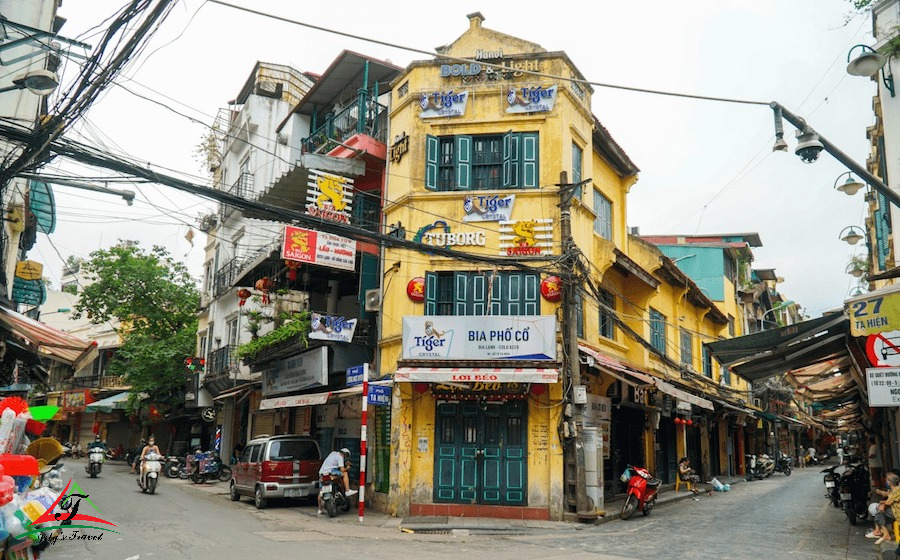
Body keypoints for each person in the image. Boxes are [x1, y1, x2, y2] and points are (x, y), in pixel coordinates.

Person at [317, 447, 358, 515]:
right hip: (331, 473)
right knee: (345, 474)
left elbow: (332, 463)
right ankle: (347, 490)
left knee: (321, 492)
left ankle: (320, 509)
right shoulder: (340, 458)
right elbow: (342, 470)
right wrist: (347, 468)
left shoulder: (333, 453)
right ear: (345, 455)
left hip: (322, 474)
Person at [867, 472, 900, 544]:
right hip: (893, 511)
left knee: (879, 514)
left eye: (887, 481)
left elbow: (888, 502)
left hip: (897, 513)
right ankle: (878, 531)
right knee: (879, 512)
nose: (886, 483)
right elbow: (887, 494)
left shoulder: (897, 490)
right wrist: (878, 491)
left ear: (890, 482)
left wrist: (882, 503)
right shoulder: (892, 490)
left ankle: (884, 534)